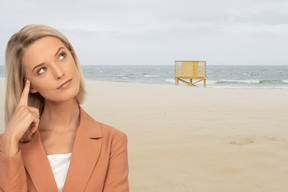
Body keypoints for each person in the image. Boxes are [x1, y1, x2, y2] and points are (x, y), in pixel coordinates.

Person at [0, 24, 129, 192]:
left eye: (61, 56)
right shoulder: (7, 146)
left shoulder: (113, 141)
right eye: (42, 69)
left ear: (73, 56)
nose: (59, 73)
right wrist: (10, 144)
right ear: (30, 85)